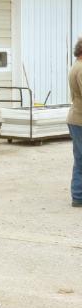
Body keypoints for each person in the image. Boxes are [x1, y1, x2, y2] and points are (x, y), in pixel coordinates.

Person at [67, 37, 82, 207]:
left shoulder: (76, 66)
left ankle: (78, 196)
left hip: (76, 118)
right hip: (80, 119)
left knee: (79, 159)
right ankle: (78, 196)